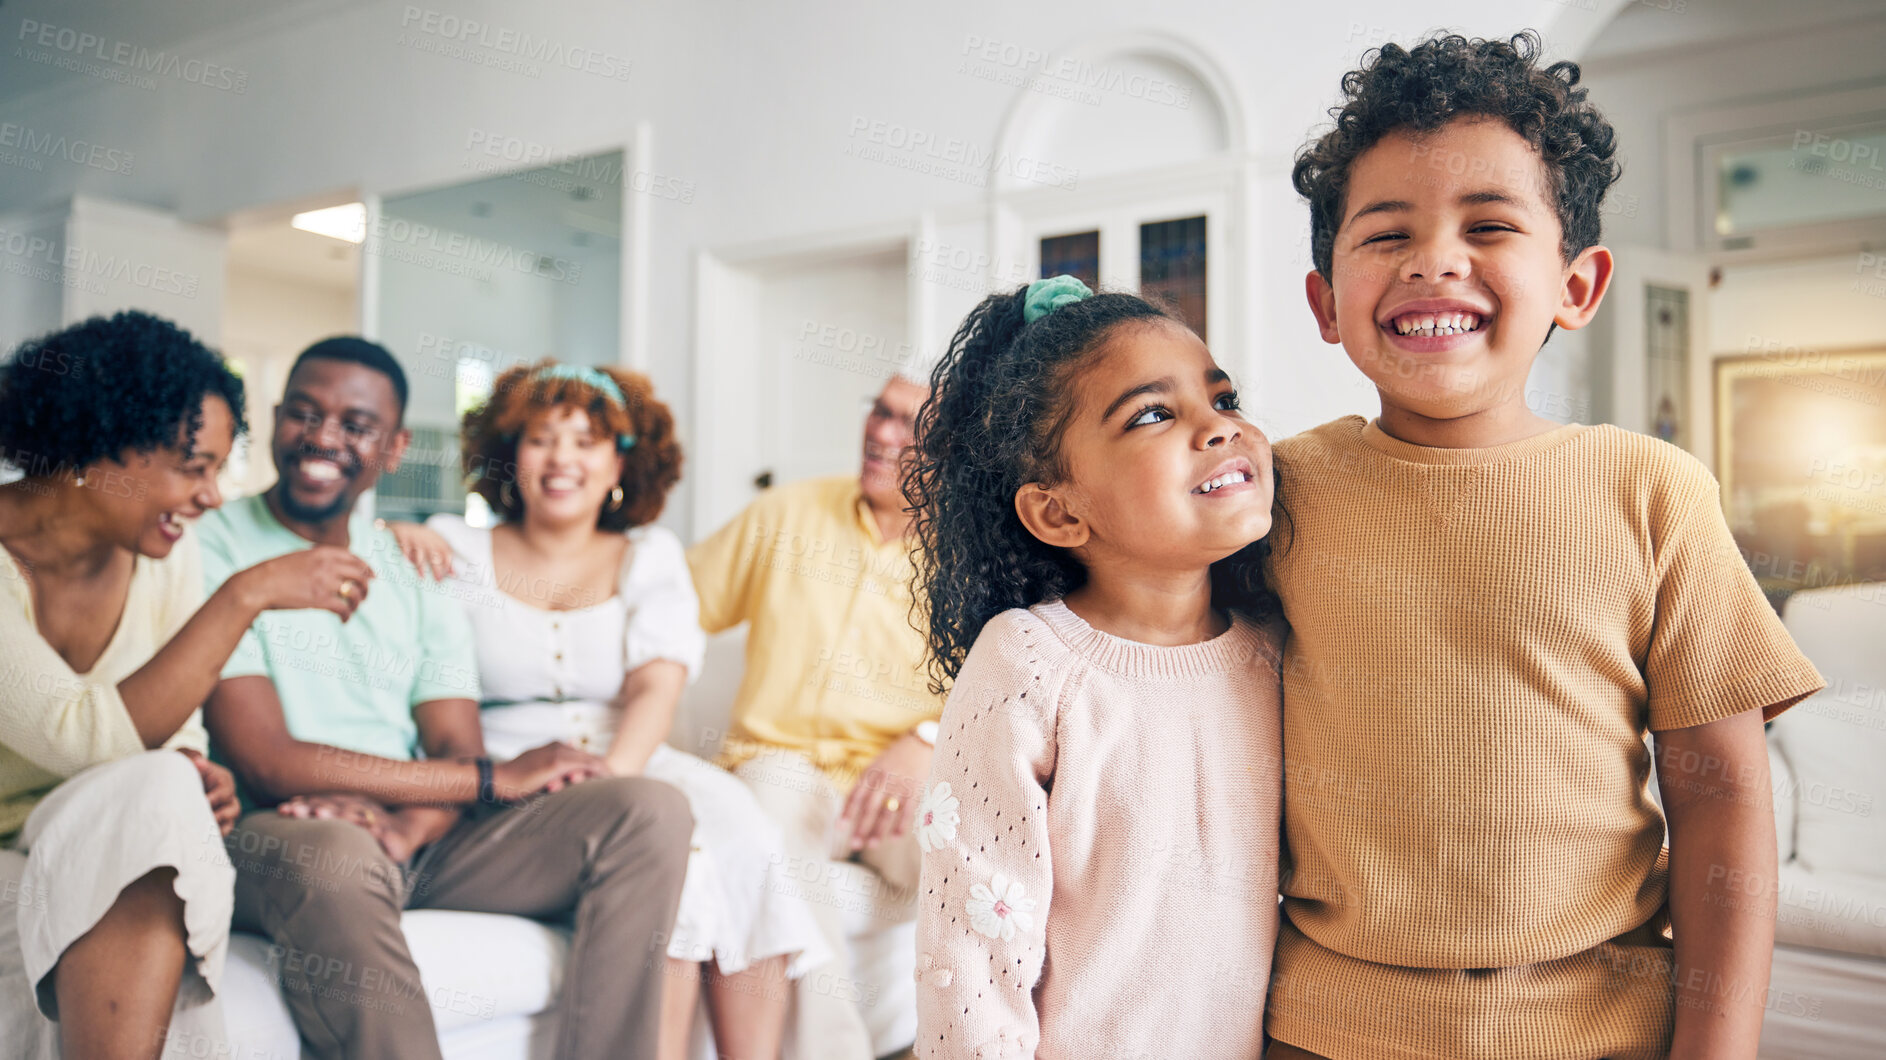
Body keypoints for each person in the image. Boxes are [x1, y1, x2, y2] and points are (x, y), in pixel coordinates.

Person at [1266, 33, 1825, 1060]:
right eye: (1384, 233)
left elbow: (1721, 800)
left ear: (1577, 284)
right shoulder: (1274, 493)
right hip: (1318, 1031)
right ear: (1324, 303)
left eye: (1486, 224)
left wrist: (1717, 1047)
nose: (1432, 257)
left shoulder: (1651, 490)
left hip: (1598, 1029)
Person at [197, 337, 693, 1060]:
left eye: (356, 425)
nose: (324, 437)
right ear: (275, 420)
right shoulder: (213, 545)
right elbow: (267, 761)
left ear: (394, 448)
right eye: (304, 413)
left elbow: (455, 746)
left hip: (411, 834)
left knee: (649, 810)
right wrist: (487, 780)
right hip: (277, 825)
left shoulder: (411, 567)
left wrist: (407, 828)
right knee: (339, 854)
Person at [385, 359, 830, 1060]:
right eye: (541, 438)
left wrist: (613, 773)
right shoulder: (454, 547)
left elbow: (657, 688)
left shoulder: (648, 556)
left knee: (746, 841)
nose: (562, 459)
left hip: (629, 753)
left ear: (622, 461)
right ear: (511, 455)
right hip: (504, 763)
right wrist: (388, 530)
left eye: (587, 441)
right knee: (681, 857)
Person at [902, 276, 1285, 1059]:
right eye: (1153, 414)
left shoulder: (1279, 649)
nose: (1220, 429)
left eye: (1224, 398)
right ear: (1058, 510)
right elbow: (971, 958)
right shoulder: (1028, 662)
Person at [0, 311, 374, 1058]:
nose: (209, 495)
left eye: (215, 469)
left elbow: (173, 737)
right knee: (145, 821)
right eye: (191, 465)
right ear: (100, 441)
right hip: (25, 838)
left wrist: (197, 775)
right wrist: (246, 595)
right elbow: (79, 737)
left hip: (88, 828)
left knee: (163, 798)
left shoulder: (168, 555)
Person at [685, 371, 941, 1058]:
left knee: (985, 866)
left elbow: (1009, 684)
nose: (882, 435)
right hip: (782, 769)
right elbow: (671, 604)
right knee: (773, 846)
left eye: (907, 425)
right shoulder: (784, 514)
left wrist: (928, 740)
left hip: (905, 779)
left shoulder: (975, 560)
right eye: (878, 413)